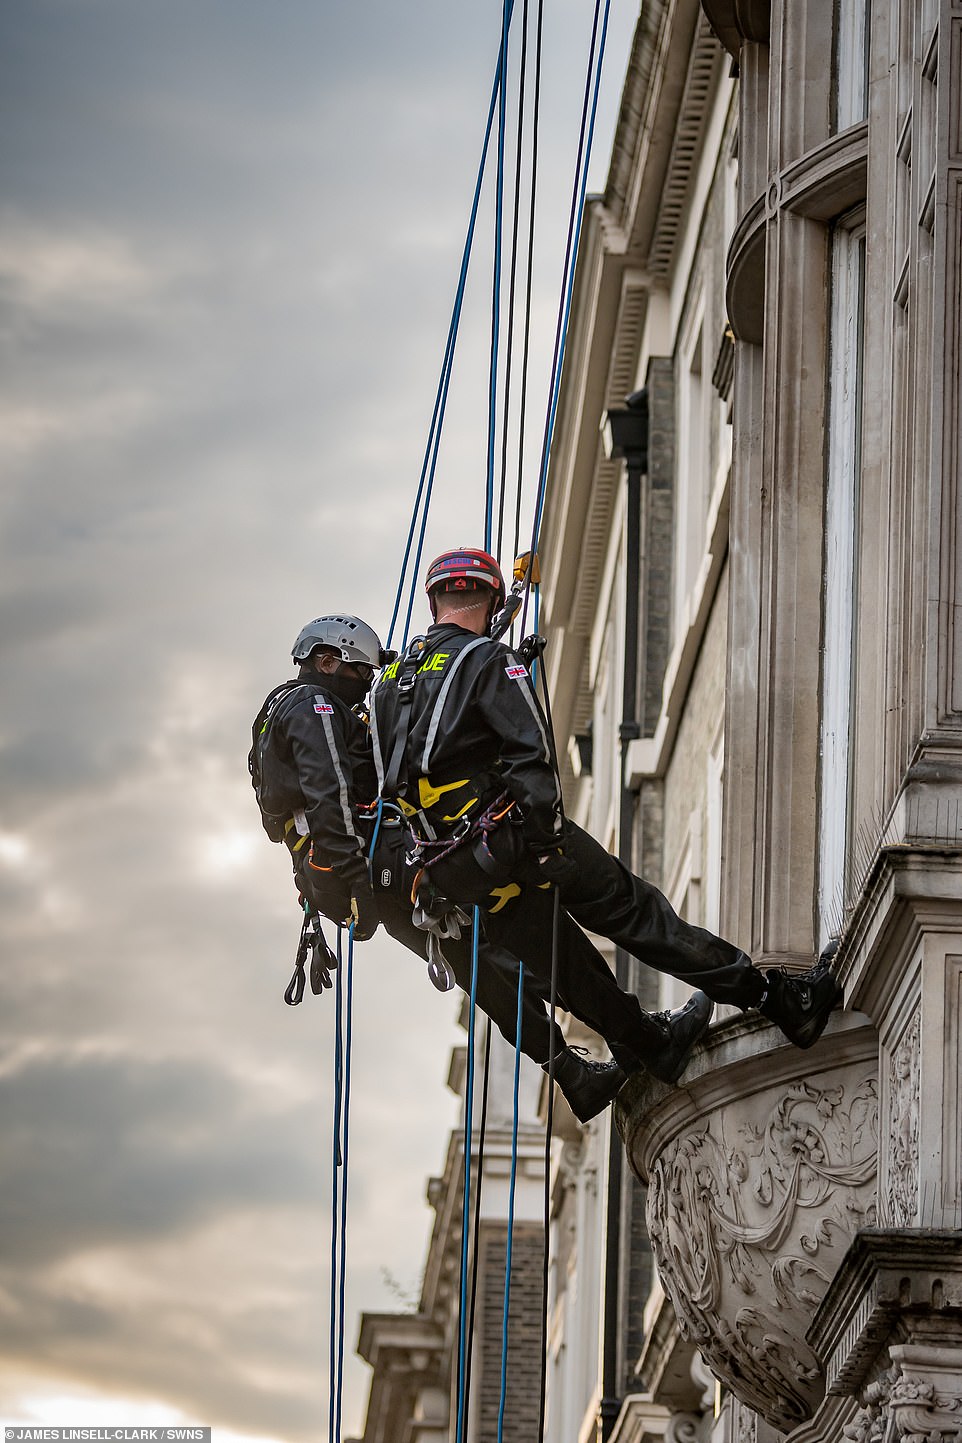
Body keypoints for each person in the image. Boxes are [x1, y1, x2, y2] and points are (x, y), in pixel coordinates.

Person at [369, 548, 841, 1070]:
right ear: (489, 599)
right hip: (512, 834)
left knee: (567, 968)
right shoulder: (488, 661)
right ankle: (779, 1001)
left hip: (451, 869)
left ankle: (651, 1047)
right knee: (635, 914)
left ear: (434, 600)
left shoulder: (390, 684)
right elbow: (533, 756)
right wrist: (549, 845)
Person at [251, 613, 699, 1122]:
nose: (363, 691)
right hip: (374, 861)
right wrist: (357, 875)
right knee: (520, 927)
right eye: (359, 676)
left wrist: (351, 889)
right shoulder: (315, 704)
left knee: (481, 965)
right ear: (327, 661)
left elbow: (279, 820)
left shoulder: (268, 720)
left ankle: (575, 1075)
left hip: (343, 877)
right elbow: (331, 794)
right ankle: (641, 1037)